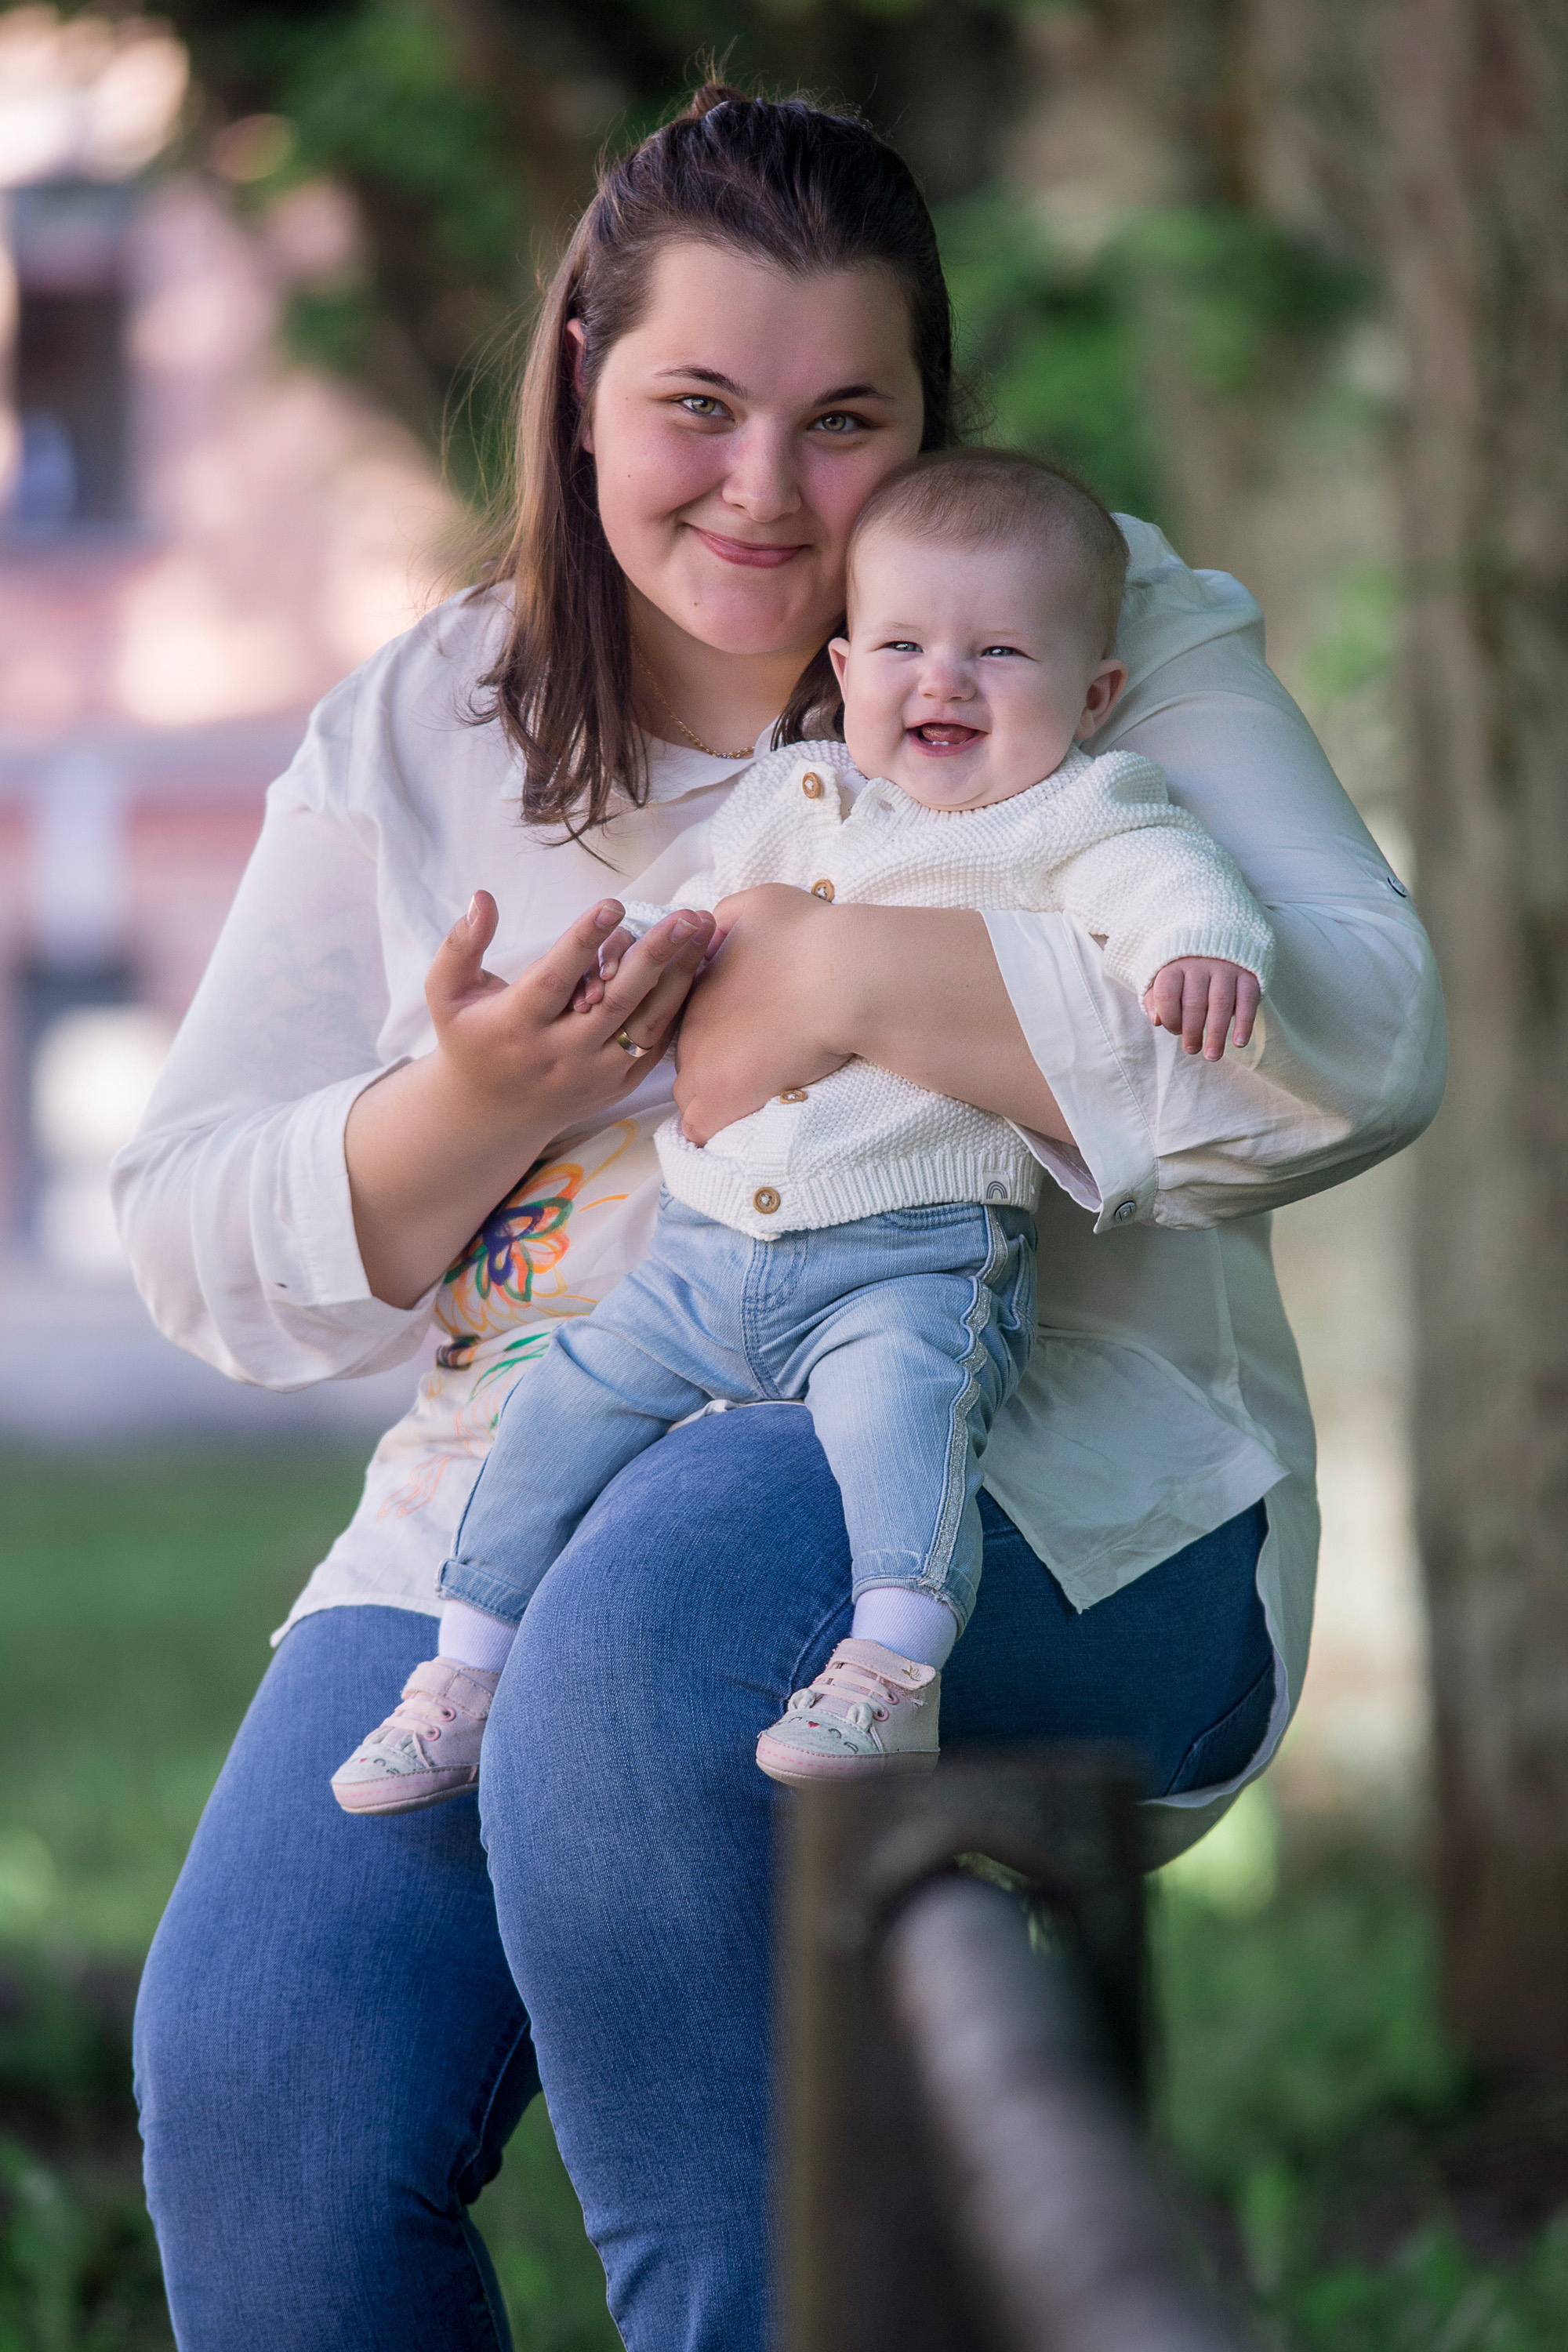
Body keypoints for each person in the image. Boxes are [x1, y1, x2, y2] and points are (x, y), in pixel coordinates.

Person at [114, 83, 1444, 2352]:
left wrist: (844, 974)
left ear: (931, 413)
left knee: (657, 1639)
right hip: (502, 1513)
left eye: (847, 420)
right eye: (698, 407)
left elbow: (1363, 1040)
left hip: (1049, 1499)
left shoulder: (1095, 621)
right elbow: (192, 1238)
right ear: (579, 388)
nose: (764, 489)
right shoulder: (433, 718)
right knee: (267, 2094)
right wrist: (475, 1102)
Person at [330, 446, 1275, 1813]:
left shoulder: (1072, 812)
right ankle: (464, 1669)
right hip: (701, 1257)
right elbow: (698, 914)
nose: (942, 679)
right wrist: (624, 966)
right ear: (842, 666)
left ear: (1095, 693)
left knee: (908, 1427)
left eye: (1000, 651)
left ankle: (892, 1666)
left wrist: (1201, 949)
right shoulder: (798, 794)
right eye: (902, 644)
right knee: (562, 1407)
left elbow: (1171, 875)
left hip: (909, 1258)